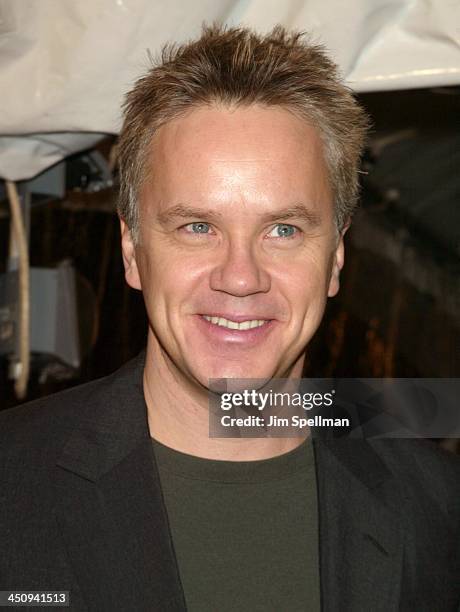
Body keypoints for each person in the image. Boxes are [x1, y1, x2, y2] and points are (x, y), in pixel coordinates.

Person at [0, 24, 458, 612]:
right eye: (197, 227)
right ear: (133, 252)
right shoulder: (12, 488)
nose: (240, 277)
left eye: (283, 229)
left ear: (336, 258)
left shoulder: (438, 511)